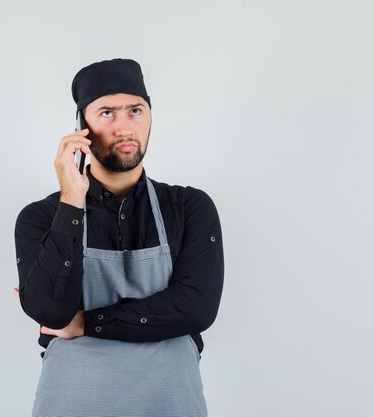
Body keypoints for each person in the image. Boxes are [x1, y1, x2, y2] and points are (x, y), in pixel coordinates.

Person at [13, 58, 224, 417]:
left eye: (135, 110)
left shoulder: (190, 208)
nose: (125, 127)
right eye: (107, 112)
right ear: (82, 127)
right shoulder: (42, 217)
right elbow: (50, 310)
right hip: (73, 403)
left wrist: (85, 323)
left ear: (151, 117)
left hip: (168, 402)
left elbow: (197, 308)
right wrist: (71, 202)